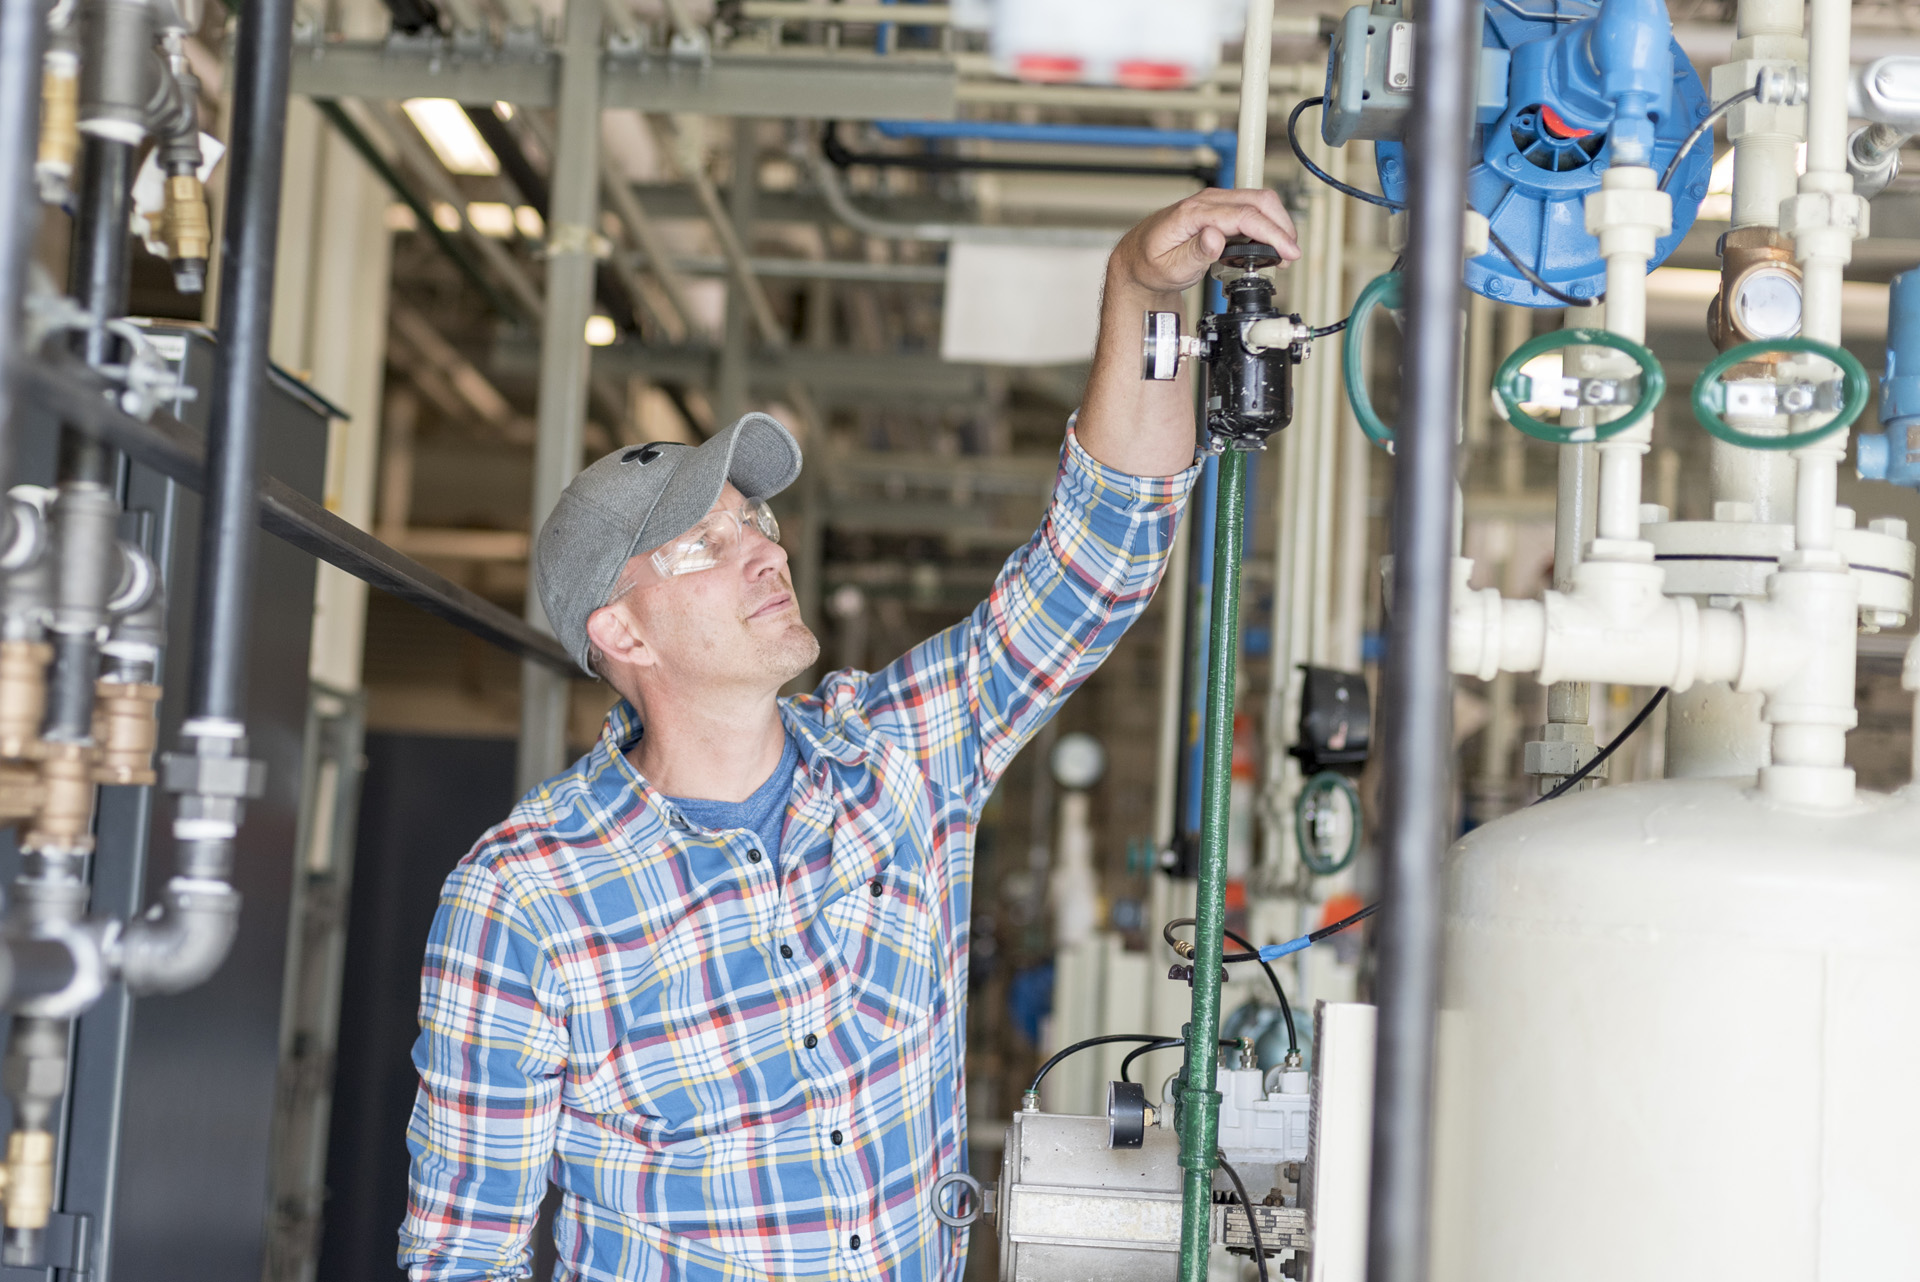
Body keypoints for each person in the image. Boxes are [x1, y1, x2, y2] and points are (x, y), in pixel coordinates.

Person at [399, 187, 1300, 1282]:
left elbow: (1099, 561)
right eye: (706, 543)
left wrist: (1148, 295)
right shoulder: (525, 897)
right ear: (620, 629)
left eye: (756, 524)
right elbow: (463, 1257)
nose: (763, 554)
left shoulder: (899, 758)